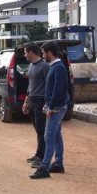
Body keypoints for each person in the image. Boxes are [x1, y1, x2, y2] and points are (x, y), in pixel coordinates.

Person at [30, 41, 69, 179]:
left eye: (43, 52)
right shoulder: (55, 66)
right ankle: (58, 164)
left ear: (49, 53)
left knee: (48, 136)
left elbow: (58, 90)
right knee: (56, 135)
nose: (42, 55)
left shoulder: (58, 68)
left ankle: (44, 167)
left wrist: (51, 107)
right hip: (56, 106)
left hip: (56, 108)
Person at [22, 44, 49, 168]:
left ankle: (42, 157)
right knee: (38, 130)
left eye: (25, 52)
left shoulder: (45, 66)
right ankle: (38, 154)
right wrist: (26, 102)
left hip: (41, 101)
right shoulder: (31, 66)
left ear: (31, 52)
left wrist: (48, 104)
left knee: (41, 130)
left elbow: (49, 85)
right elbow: (30, 86)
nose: (24, 55)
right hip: (32, 100)